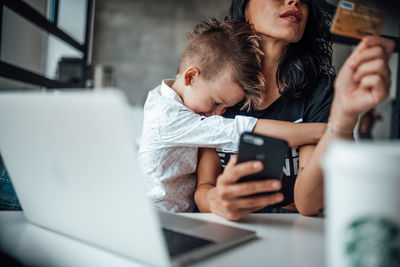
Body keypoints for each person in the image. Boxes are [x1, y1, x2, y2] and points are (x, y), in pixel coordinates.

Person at [194, 0, 395, 219]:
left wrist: (343, 121)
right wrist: (216, 201)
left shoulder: (323, 90)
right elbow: (203, 187)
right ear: (244, 10)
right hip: (223, 229)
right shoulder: (216, 84)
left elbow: (307, 204)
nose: (295, 1)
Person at [138, 18, 326, 212]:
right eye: (217, 102)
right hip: (158, 217)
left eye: (226, 108)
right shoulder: (167, 117)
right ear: (190, 77)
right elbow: (240, 131)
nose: (219, 113)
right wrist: (322, 131)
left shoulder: (175, 101)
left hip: (184, 217)